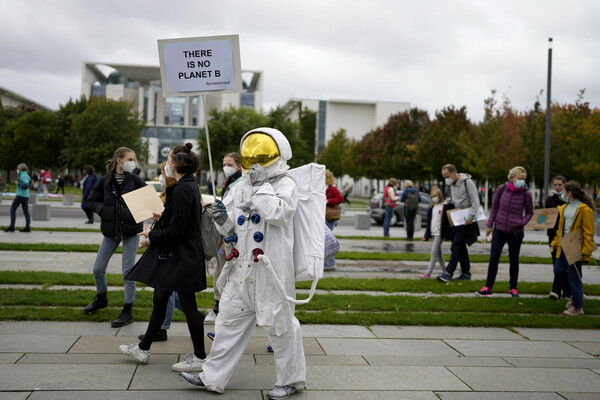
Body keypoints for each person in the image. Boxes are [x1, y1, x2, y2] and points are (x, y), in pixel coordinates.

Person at [179, 127, 306, 399]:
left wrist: (261, 187)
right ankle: (212, 377)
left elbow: (278, 214)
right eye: (251, 154)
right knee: (227, 322)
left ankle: (290, 380)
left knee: (280, 326)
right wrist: (222, 221)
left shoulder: (285, 185)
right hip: (241, 268)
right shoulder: (241, 186)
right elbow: (233, 228)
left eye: (261, 154)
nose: (255, 159)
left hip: (271, 270)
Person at [121, 143, 208, 371]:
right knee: (160, 298)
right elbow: (182, 220)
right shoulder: (187, 186)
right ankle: (144, 348)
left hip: (181, 256)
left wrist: (152, 234)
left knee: (189, 307)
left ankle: (200, 358)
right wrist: (164, 215)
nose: (167, 165)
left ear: (177, 164)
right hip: (181, 255)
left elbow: (177, 231)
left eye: (169, 161)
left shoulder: (182, 189)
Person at [83, 147, 146, 327]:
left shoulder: (136, 180)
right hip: (110, 232)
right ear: (119, 161)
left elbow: (149, 204)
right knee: (98, 268)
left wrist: (139, 214)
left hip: (131, 232)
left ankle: (128, 310)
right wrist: (105, 211)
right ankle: (101, 298)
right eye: (130, 158)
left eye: (134, 159)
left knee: (128, 271)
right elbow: (92, 200)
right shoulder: (105, 181)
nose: (133, 162)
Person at [136, 162, 180, 342]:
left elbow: (172, 227)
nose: (161, 176)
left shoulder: (175, 194)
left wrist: (151, 237)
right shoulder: (167, 194)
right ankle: (197, 317)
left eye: (162, 172)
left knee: (165, 292)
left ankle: (161, 329)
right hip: (162, 247)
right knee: (176, 294)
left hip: (168, 250)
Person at [476, 167, 534, 297]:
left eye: (524, 179)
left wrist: (521, 222)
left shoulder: (526, 194)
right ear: (512, 178)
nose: (522, 182)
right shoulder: (501, 189)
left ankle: (513, 287)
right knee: (494, 257)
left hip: (516, 232)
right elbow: (494, 208)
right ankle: (488, 287)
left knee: (514, 259)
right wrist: (490, 225)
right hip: (500, 230)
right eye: (520, 179)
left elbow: (530, 212)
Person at [205, 152, 243, 323]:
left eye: (230, 164)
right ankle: (220, 307)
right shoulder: (230, 182)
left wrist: (224, 239)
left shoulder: (238, 183)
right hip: (225, 232)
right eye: (224, 163)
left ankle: (219, 308)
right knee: (221, 272)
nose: (226, 167)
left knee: (222, 273)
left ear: (239, 165)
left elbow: (232, 213)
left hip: (229, 235)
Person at [550, 181, 595, 316]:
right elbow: (560, 229)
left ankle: (577, 307)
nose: (562, 194)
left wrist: (586, 250)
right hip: (563, 245)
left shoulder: (584, 209)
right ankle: (573, 296)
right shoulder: (564, 207)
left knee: (574, 276)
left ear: (570, 193)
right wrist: (555, 242)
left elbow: (588, 232)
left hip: (576, 246)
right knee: (558, 270)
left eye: (564, 192)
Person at [438, 164, 480, 282]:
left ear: (453, 173)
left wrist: (471, 216)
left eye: (447, 176)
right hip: (456, 218)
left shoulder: (467, 183)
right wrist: (446, 203)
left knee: (455, 246)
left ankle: (448, 272)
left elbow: (475, 201)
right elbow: (454, 199)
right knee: (461, 246)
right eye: (444, 177)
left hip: (466, 220)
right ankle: (466, 272)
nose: (446, 179)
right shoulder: (452, 184)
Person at [421, 186, 451, 278]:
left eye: (436, 196)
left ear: (440, 196)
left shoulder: (444, 206)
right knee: (438, 253)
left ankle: (428, 273)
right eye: (432, 196)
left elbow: (447, 221)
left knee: (433, 252)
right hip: (433, 232)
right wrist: (426, 235)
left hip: (439, 233)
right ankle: (444, 270)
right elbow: (429, 222)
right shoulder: (432, 207)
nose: (434, 198)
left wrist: (446, 234)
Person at [546, 175, 567, 300]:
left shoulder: (568, 200)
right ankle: (560, 289)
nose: (557, 187)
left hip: (566, 234)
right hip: (553, 235)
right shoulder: (550, 199)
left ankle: (558, 290)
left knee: (565, 264)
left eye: (560, 185)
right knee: (556, 263)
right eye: (555, 185)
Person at [324, 169, 344, 271]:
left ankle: (330, 263)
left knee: (326, 239)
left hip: (330, 216)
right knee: (325, 239)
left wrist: (329, 201)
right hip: (324, 215)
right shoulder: (322, 187)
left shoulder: (332, 189)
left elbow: (340, 199)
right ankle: (330, 263)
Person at [4, 163, 32, 233]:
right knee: (26, 212)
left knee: (12, 209)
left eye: (18, 169)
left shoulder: (23, 176)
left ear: (21, 169)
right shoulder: (27, 175)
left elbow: (26, 185)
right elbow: (28, 184)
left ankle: (12, 227)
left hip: (21, 196)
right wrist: (17, 193)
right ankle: (27, 227)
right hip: (25, 196)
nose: (17, 170)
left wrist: (18, 183)